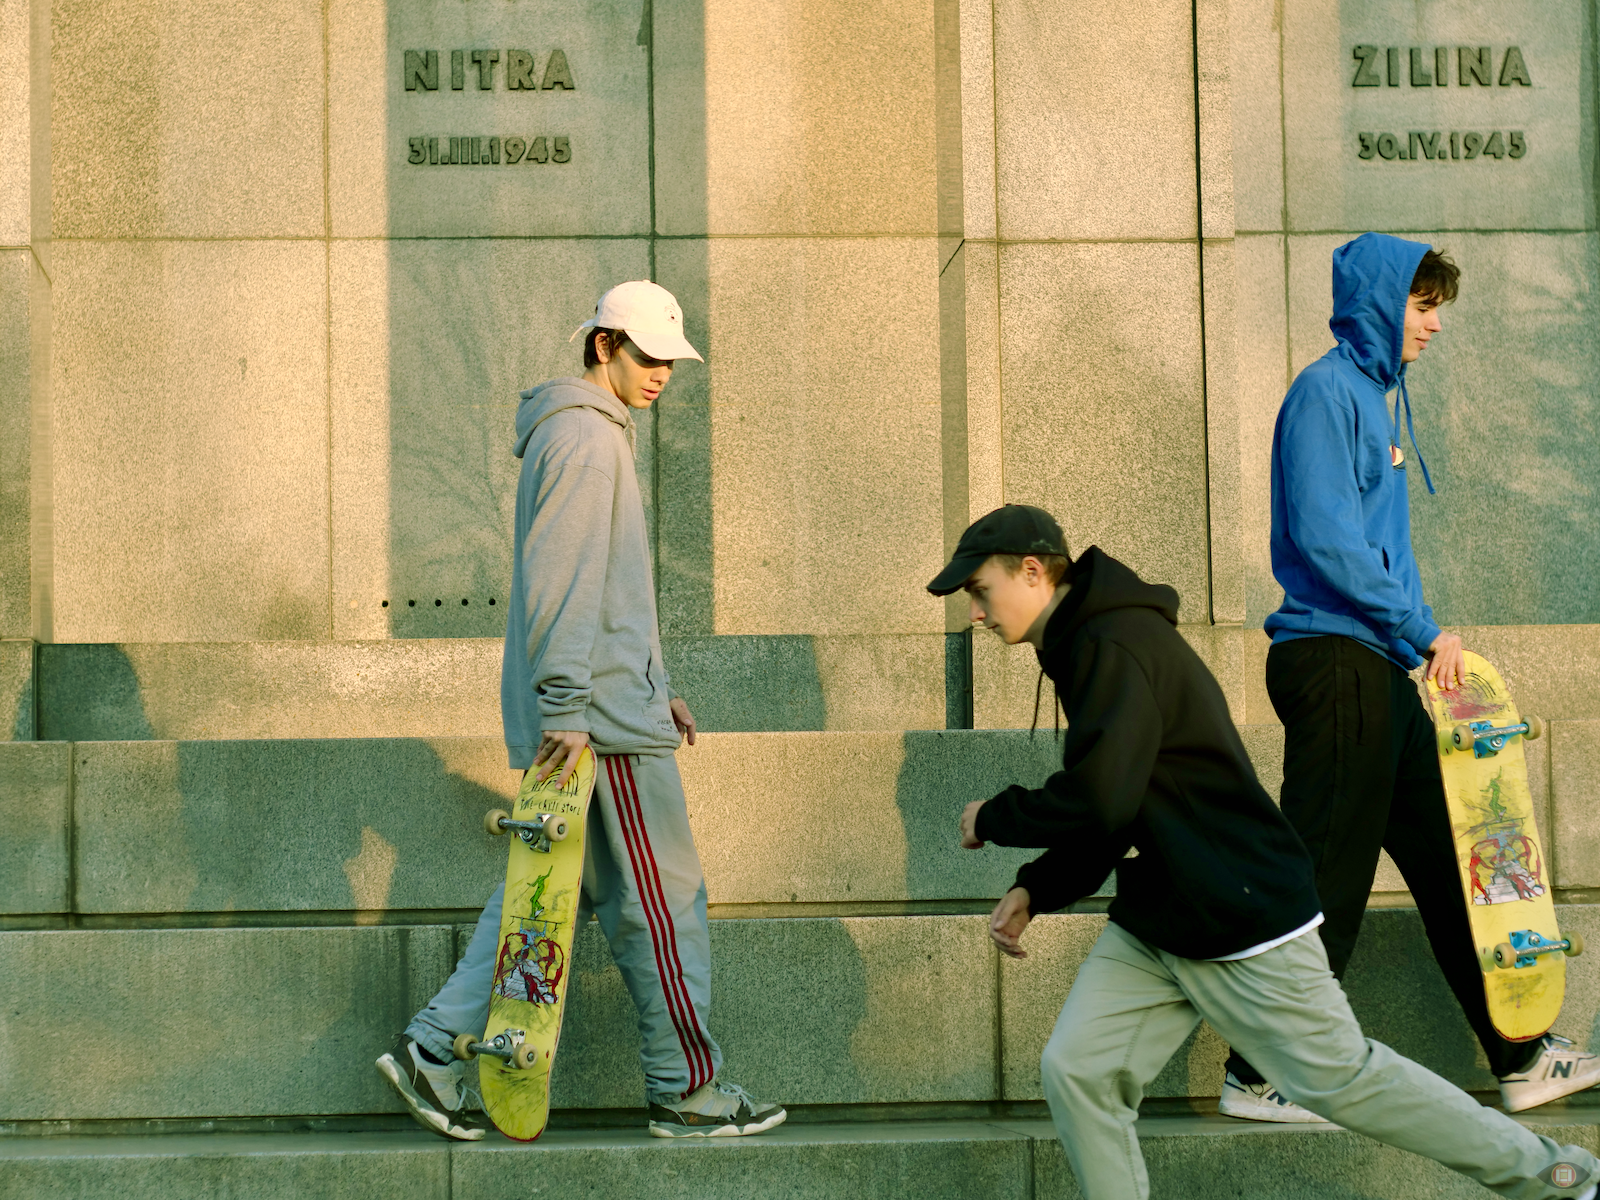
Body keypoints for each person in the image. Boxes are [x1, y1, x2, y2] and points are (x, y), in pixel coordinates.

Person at [932, 502, 1599, 1200]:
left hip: (1238, 908)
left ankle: (1559, 1176)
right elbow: (1122, 802)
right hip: (1164, 913)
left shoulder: (1111, 643)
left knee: (1346, 1078)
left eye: (979, 591)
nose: (976, 613)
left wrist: (995, 816)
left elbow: (1102, 797)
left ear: (1032, 571)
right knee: (1079, 1071)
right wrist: (1039, 885)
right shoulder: (1082, 643)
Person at [377, 280, 786, 1141]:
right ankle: (688, 1088)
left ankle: (437, 1048)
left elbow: (612, 589)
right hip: (599, 725)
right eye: (646, 356)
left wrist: (652, 677)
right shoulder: (587, 443)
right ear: (603, 344)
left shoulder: (573, 437)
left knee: (542, 895)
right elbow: (563, 585)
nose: (661, 375)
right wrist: (573, 705)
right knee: (668, 906)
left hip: (601, 706)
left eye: (670, 362)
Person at [1221, 232, 1600, 1122]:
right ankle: (1263, 1069)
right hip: (1333, 659)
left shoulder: (1373, 400)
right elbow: (1326, 541)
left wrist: (1416, 655)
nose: (1433, 328)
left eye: (1438, 312)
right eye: (1421, 308)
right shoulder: (1324, 393)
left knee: (1454, 863)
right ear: (1380, 302)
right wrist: (1423, 631)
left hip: (1379, 670)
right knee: (1325, 874)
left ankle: (1523, 1052)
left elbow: (1379, 550)